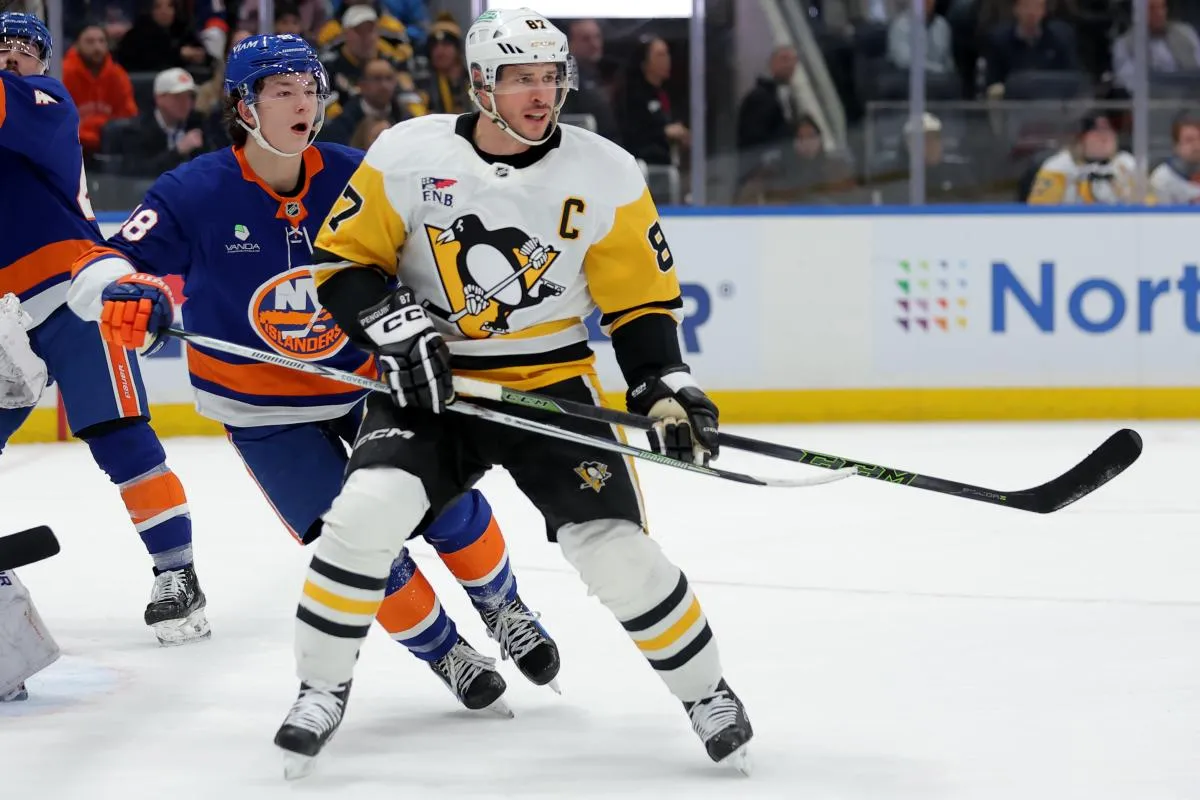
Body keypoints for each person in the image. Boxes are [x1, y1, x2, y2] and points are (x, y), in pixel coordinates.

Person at [270, 6, 753, 779]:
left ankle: (707, 695)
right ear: (480, 85)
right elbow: (343, 266)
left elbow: (640, 303)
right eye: (520, 78)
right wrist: (392, 326)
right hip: (435, 384)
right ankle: (319, 689)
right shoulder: (406, 152)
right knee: (362, 518)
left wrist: (664, 384)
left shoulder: (606, 171)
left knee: (617, 554)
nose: (539, 94)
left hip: (549, 385)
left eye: (550, 77)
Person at [66, 34, 559, 716]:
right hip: (262, 410)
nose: (305, 103)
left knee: (441, 499)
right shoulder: (194, 190)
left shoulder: (356, 174)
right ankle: (445, 650)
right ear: (243, 105)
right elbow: (99, 264)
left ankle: (506, 609)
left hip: (366, 386)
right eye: (284, 90)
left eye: (311, 88)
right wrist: (126, 292)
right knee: (356, 545)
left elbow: (427, 255)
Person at [0, 11, 206, 651]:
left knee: (120, 436)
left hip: (71, 289)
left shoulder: (46, 101)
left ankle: (178, 575)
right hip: (4, 311)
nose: (9, 58)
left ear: (43, 61)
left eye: (21, 49)